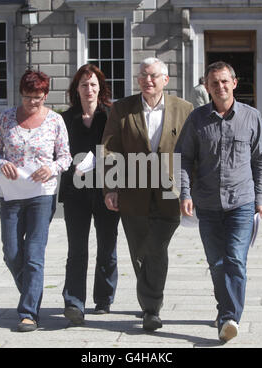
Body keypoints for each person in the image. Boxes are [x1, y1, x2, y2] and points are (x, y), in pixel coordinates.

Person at [178, 61, 262, 342]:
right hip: (207, 203)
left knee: (235, 260)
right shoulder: (196, 119)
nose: (219, 87)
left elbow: (261, 159)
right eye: (214, 82)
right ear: (207, 86)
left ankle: (230, 317)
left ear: (234, 83)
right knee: (217, 263)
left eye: (224, 81)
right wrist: (185, 193)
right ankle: (224, 311)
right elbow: (183, 158)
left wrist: (260, 197)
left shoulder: (251, 117)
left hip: (241, 202)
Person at [102, 57, 193, 331]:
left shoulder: (184, 109)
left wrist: (191, 191)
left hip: (170, 193)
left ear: (165, 79)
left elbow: (192, 152)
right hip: (133, 193)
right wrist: (111, 187)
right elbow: (109, 149)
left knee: (156, 248)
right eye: (142, 76)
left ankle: (151, 307)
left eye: (152, 76)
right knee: (139, 251)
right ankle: (150, 306)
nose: (147, 80)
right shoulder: (122, 109)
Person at [0, 70, 72, 332]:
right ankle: (32, 293)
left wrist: (53, 168)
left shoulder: (55, 121)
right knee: (12, 253)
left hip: (42, 194)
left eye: (37, 98)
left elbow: (66, 156)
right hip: (11, 194)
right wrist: (2, 163)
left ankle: (28, 313)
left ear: (45, 95)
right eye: (27, 97)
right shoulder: (6, 118)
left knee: (34, 254)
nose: (31, 103)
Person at [58, 64, 120, 325]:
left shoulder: (111, 115)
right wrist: (69, 164)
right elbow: (58, 152)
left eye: (93, 84)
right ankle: (74, 302)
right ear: (77, 89)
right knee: (77, 249)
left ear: (101, 88)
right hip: (76, 192)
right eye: (84, 84)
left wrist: (116, 187)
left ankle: (103, 299)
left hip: (107, 191)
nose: (89, 89)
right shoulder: (65, 118)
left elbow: (119, 151)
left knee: (107, 248)